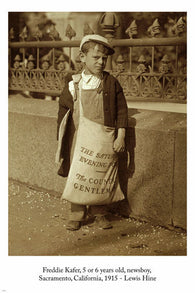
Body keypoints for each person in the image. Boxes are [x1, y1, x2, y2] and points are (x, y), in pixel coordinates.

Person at [56, 34, 128, 231]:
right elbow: (63, 114)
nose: (100, 62)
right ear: (82, 57)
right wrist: (62, 141)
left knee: (101, 173)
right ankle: (76, 214)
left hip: (104, 138)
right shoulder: (73, 84)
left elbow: (122, 111)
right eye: (95, 57)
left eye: (104, 58)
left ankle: (100, 213)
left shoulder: (111, 83)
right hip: (79, 139)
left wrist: (120, 135)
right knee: (79, 174)